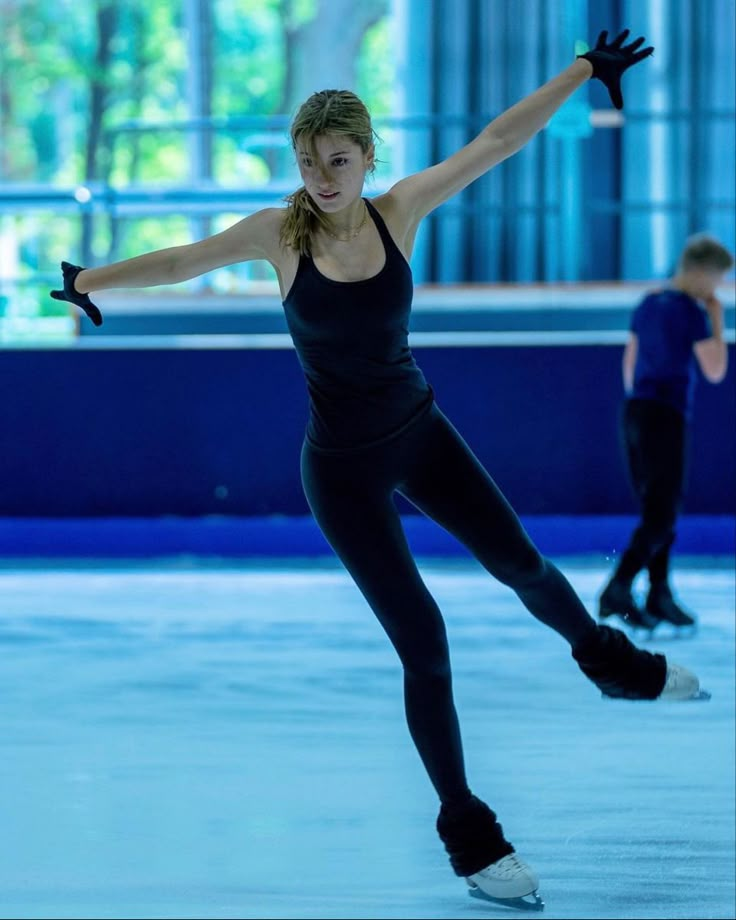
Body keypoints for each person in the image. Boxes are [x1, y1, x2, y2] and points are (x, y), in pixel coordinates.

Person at [50, 29, 708, 912]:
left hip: (420, 431)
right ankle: (473, 839)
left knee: (523, 565)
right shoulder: (276, 235)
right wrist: (89, 275)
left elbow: (496, 141)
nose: (323, 178)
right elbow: (178, 261)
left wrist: (584, 69)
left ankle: (607, 660)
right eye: (309, 161)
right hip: (343, 472)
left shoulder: (400, 211)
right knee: (424, 640)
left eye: (339, 159)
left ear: (365, 158)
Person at [599, 234, 733, 632]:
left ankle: (659, 592)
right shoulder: (692, 311)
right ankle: (618, 587)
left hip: (636, 412)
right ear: (701, 274)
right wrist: (717, 319)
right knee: (662, 512)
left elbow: (630, 364)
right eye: (717, 279)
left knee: (656, 506)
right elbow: (716, 370)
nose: (717, 288)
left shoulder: (647, 304)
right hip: (666, 415)